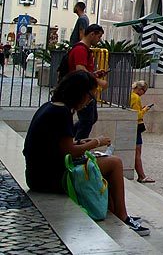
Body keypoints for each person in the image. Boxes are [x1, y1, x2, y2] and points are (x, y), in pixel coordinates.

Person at [23, 71, 150, 235]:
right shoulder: (61, 113)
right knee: (115, 163)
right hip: (50, 178)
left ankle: (115, 212)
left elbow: (59, 145)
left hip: (38, 174)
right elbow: (70, 151)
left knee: (104, 163)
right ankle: (122, 215)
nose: (90, 101)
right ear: (79, 93)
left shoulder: (51, 107)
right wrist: (95, 142)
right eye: (91, 96)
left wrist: (82, 143)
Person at [68, 24, 108, 141]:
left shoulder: (84, 49)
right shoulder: (80, 49)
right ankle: (78, 146)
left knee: (91, 119)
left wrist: (94, 73)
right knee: (86, 121)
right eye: (98, 37)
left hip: (86, 89)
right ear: (92, 34)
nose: (99, 40)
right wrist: (99, 81)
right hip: (82, 90)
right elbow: (80, 70)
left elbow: (84, 70)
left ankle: (72, 138)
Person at [129, 80, 155, 183]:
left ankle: (141, 175)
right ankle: (141, 175)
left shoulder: (130, 95)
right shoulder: (136, 97)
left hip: (132, 126)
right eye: (144, 91)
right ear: (139, 89)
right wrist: (145, 109)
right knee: (138, 152)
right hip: (136, 126)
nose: (143, 93)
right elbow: (137, 114)